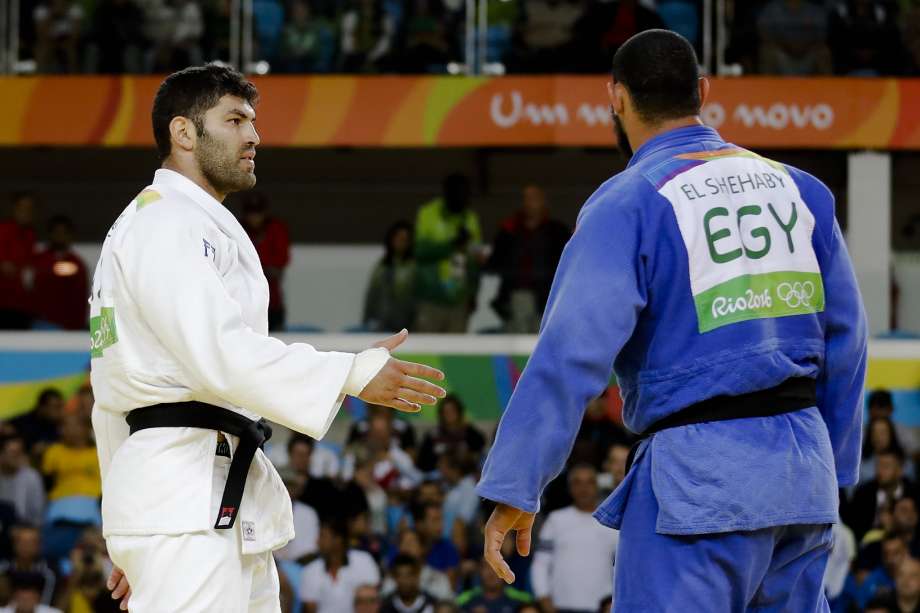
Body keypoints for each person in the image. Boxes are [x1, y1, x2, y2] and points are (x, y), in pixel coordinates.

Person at [477, 30, 867, 612]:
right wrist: (832, 467)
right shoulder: (801, 191)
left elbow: (569, 355)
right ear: (703, 92)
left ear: (616, 98)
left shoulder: (629, 201)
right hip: (802, 480)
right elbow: (849, 343)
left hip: (698, 489)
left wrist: (517, 484)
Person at [89, 64, 445, 613]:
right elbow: (221, 353)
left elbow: (111, 400)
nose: (254, 136)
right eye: (235, 120)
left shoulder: (181, 222)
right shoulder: (164, 225)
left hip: (192, 497)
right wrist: (348, 372)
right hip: (182, 502)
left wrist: (127, 522)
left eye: (253, 122)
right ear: (184, 133)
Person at [531, 465, 618, 613]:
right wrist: (543, 597)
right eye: (577, 482)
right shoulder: (556, 520)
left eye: (589, 482)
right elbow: (540, 563)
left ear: (597, 486)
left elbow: (621, 569)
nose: (583, 488)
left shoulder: (612, 523)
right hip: (560, 607)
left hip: (602, 607)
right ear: (570, 488)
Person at [486, 185, 570, 333]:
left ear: (543, 202)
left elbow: (568, 263)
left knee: (541, 339)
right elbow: (494, 263)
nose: (529, 203)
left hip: (547, 296)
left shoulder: (557, 231)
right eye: (525, 199)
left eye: (534, 199)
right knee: (517, 342)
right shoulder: (509, 230)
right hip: (516, 294)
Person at [413, 174, 483, 333]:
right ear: (447, 193)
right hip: (431, 298)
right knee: (426, 350)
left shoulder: (470, 218)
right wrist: (452, 245)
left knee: (455, 353)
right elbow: (420, 252)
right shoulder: (428, 213)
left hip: (458, 299)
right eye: (459, 193)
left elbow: (475, 260)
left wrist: (472, 293)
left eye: (466, 194)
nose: (463, 198)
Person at [300, 518, 381, 613]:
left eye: (323, 536)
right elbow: (310, 609)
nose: (317, 541)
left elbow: (371, 602)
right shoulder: (310, 570)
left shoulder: (364, 560)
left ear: (338, 540)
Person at [240, 192, 291, 331]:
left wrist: (255, 268)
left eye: (258, 213)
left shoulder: (276, 228)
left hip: (272, 300)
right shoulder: (239, 228)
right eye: (251, 213)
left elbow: (280, 262)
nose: (254, 217)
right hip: (243, 300)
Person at [30, 216, 88, 330]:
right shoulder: (38, 260)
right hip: (41, 323)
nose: (60, 236)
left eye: (64, 232)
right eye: (56, 232)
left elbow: (80, 298)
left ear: (70, 235)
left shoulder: (77, 264)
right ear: (50, 234)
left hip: (70, 327)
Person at [847, 449, 917, 542]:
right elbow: (854, 529)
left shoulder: (914, 493)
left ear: (900, 470)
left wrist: (895, 526)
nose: (880, 471)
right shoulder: (863, 493)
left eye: (886, 466)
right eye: (878, 466)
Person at [363, 221, 417, 333]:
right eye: (398, 238)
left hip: (405, 325)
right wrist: (367, 320)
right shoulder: (382, 266)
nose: (401, 242)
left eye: (405, 239)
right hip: (380, 323)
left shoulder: (413, 267)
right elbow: (372, 295)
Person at [417, 395, 485, 473]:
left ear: (459, 412)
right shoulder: (433, 435)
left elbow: (479, 452)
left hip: (465, 477)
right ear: (441, 414)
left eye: (452, 411)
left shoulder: (469, 432)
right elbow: (422, 463)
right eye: (446, 412)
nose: (449, 415)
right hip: (438, 476)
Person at [41, 415, 101, 503]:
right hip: (60, 502)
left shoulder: (99, 452)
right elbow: (46, 483)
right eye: (64, 426)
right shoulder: (54, 451)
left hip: (94, 502)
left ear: (87, 428)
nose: (67, 430)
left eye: (74, 425)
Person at [0, 193, 37, 330]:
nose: (26, 212)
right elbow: (6, 267)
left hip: (22, 304)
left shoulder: (30, 234)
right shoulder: (3, 230)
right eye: (22, 208)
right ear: (14, 209)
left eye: (30, 209)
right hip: (4, 303)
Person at [0, 526, 57, 606]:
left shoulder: (49, 573)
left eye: (30, 543)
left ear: (39, 546)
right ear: (14, 544)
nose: (25, 546)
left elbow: (46, 606)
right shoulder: (3, 569)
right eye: (21, 542)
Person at [456, 558, 533, 612]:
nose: (491, 572)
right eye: (486, 566)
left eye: (497, 566)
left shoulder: (523, 600)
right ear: (479, 571)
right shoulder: (463, 601)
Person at [0, 436, 46, 523]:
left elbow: (38, 512)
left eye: (20, 453)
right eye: (13, 453)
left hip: (21, 526)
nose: (17, 457)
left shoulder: (32, 477)